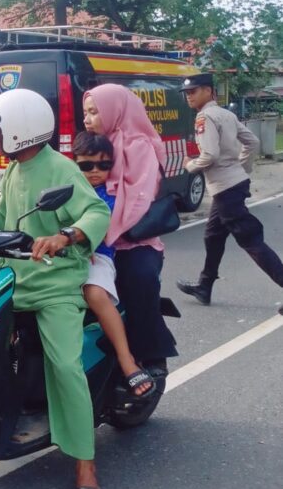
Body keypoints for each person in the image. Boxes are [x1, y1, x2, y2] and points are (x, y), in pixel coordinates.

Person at [0, 89, 111, 489]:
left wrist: (65, 236)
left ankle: (85, 463)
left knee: (65, 366)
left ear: (20, 129)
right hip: (15, 279)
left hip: (54, 284)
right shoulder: (13, 171)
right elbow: (4, 219)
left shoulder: (60, 168)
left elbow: (97, 213)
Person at [82, 84, 178, 374]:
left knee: (139, 278)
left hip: (134, 240)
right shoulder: (93, 145)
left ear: (115, 111)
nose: (87, 119)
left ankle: (151, 356)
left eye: (94, 112)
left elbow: (137, 199)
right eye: (85, 112)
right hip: (98, 240)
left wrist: (98, 233)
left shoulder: (139, 147)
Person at [174, 73, 283, 313]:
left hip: (226, 189)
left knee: (252, 241)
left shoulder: (205, 117)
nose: (189, 97)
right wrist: (241, 167)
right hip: (233, 185)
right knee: (213, 237)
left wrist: (190, 165)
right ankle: (204, 285)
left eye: (193, 91)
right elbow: (252, 142)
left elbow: (210, 155)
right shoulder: (227, 114)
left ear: (208, 91)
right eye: (187, 93)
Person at [72, 131, 155, 397]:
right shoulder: (67, 189)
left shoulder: (109, 195)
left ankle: (126, 359)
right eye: (86, 165)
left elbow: (102, 226)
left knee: (94, 293)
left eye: (103, 165)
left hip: (98, 256)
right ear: (74, 163)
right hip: (63, 257)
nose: (95, 171)